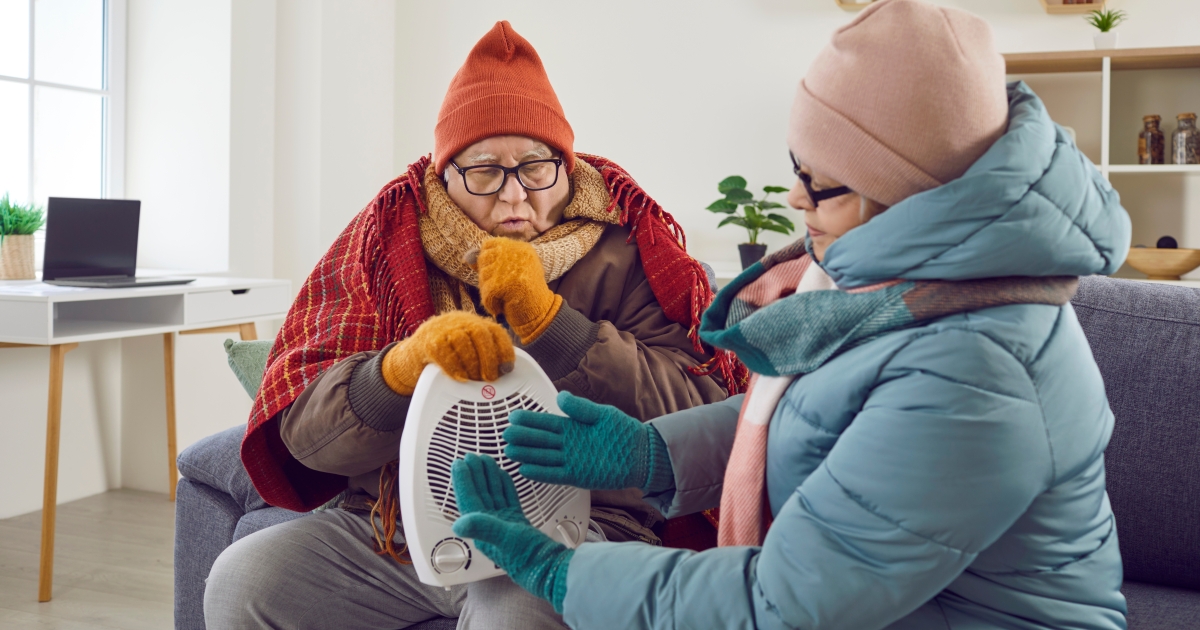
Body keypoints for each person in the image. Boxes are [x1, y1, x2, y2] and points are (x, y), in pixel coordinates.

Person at [449, 1, 1132, 628]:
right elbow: (814, 414)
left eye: (821, 183)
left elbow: (786, 603)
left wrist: (562, 575)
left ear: (906, 195)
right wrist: (651, 453)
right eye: (797, 167)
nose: (796, 200)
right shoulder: (900, 290)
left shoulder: (977, 369)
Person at [203, 21, 742, 630]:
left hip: (572, 525)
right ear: (445, 176)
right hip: (396, 529)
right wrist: (397, 372)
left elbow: (694, 409)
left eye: (535, 167)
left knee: (511, 617)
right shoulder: (388, 242)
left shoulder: (628, 247)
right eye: (484, 171)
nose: (514, 195)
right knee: (245, 579)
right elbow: (307, 439)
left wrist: (552, 325)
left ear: (566, 168)